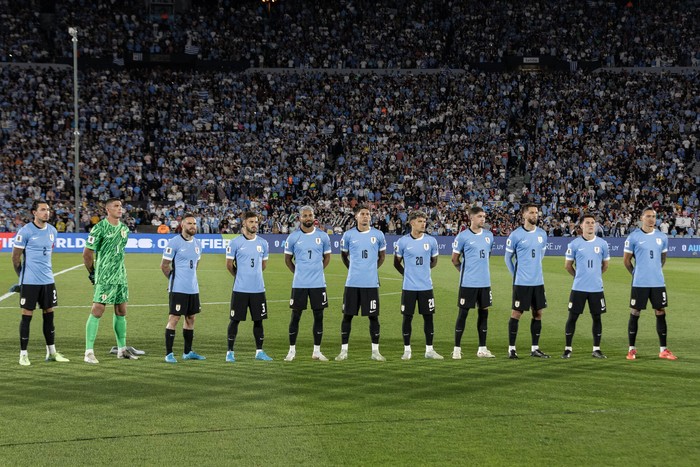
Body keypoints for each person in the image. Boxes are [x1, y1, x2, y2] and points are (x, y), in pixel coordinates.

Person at [11, 200, 69, 366]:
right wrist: (22, 278)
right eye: (43, 210)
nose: (47, 213)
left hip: (48, 281)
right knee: (27, 317)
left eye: (48, 210)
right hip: (30, 282)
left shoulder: (52, 231)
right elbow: (15, 258)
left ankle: (51, 352)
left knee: (49, 316)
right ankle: (23, 354)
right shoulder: (25, 231)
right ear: (34, 213)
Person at [83, 198, 138, 364]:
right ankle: (89, 352)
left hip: (121, 275)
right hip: (105, 276)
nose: (120, 209)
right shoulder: (99, 228)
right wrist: (93, 273)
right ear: (108, 209)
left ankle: (122, 349)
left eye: (121, 206)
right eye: (116, 206)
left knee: (121, 310)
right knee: (98, 309)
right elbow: (87, 254)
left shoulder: (124, 229)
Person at [623, 207, 678, 360]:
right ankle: (631, 349)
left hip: (658, 282)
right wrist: (636, 274)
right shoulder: (633, 237)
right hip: (640, 283)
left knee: (660, 312)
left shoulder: (662, 237)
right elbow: (626, 261)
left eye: (654, 216)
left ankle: (663, 350)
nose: (651, 219)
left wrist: (655, 271)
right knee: (635, 313)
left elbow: (663, 258)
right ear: (641, 218)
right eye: (648, 216)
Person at [336, 205, 387, 362]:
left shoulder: (378, 235)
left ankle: (375, 351)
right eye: (362, 214)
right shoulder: (348, 235)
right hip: (352, 283)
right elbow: (344, 256)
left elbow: (382, 256)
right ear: (356, 217)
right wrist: (353, 268)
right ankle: (344, 351)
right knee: (347, 316)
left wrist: (371, 269)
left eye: (368, 214)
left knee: (373, 317)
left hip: (371, 284)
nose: (366, 216)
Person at [283, 206, 332, 362]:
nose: (308, 218)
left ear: (314, 216)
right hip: (300, 284)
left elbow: (327, 258)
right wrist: (299, 273)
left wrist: (316, 271)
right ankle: (291, 351)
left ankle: (317, 351)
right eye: (305, 216)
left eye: (310, 215)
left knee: (319, 316)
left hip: (318, 284)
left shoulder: (323, 236)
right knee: (295, 316)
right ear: (300, 218)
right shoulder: (293, 237)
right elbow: (287, 260)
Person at [393, 210, 442, 360]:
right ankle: (407, 350)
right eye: (420, 221)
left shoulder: (431, 241)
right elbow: (396, 263)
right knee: (407, 318)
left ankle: (429, 350)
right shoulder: (402, 241)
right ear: (412, 223)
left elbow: (434, 261)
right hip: (409, 287)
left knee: (429, 318)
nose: (424, 224)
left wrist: (423, 272)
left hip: (426, 287)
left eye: (424, 221)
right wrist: (407, 274)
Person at [225, 211, 272, 362]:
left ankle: (259, 351)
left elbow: (263, 265)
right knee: (235, 320)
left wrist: (253, 276)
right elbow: (229, 265)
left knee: (258, 321)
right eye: (251, 222)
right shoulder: (235, 242)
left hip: (258, 289)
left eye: (256, 222)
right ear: (244, 223)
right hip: (240, 289)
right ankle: (230, 352)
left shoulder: (263, 243)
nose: (254, 225)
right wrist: (240, 276)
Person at [504, 203, 550, 359]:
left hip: (538, 282)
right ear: (524, 215)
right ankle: (511, 349)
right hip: (522, 283)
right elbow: (507, 258)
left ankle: (535, 348)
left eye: (536, 212)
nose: (535, 215)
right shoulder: (516, 235)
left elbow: (541, 256)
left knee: (538, 314)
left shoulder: (542, 234)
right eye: (531, 213)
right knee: (516, 313)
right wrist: (516, 275)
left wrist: (534, 269)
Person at [562, 214, 610, 359]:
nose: (591, 225)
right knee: (572, 318)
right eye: (587, 223)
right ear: (581, 225)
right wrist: (579, 277)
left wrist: (594, 276)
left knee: (597, 318)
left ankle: (596, 349)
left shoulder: (602, 244)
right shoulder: (574, 244)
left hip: (596, 288)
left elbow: (605, 265)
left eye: (593, 223)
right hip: (579, 288)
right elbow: (568, 266)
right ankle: (568, 348)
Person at [451, 206, 495, 359]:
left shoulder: (489, 236)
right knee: (463, 314)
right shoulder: (462, 237)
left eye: (484, 216)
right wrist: (465, 272)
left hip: (485, 283)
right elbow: (454, 260)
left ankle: (482, 349)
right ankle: (456, 349)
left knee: (484, 315)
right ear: (471, 218)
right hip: (468, 283)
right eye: (479, 216)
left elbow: (487, 256)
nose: (483, 219)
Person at [161, 214, 206, 363]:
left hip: (193, 288)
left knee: (191, 318)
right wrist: (174, 281)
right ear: (182, 225)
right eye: (189, 223)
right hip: (178, 288)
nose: (193, 226)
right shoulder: (174, 242)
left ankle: (188, 352)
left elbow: (196, 265)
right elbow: (164, 266)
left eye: (194, 223)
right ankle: (169, 354)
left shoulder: (198, 243)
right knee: (174, 318)